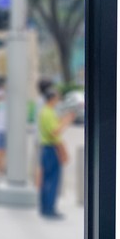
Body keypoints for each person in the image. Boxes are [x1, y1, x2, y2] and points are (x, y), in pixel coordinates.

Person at [37, 81, 74, 219]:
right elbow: (54, 132)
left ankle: (45, 207)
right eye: (57, 98)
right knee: (52, 180)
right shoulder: (48, 113)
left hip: (47, 149)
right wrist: (66, 122)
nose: (58, 100)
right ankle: (49, 209)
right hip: (51, 149)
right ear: (52, 99)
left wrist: (64, 119)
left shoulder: (46, 111)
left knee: (47, 178)